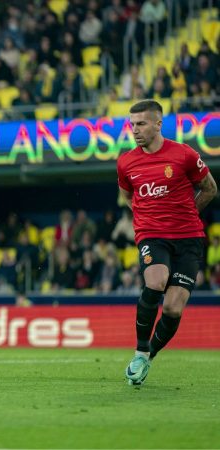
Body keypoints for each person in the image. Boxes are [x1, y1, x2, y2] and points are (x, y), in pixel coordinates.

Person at [117, 100, 217, 386]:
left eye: (141, 124)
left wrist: (186, 213)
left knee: (173, 308)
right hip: (152, 234)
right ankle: (140, 350)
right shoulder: (126, 161)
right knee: (157, 280)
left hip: (188, 238)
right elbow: (128, 195)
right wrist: (146, 218)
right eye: (132, 124)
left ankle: (149, 358)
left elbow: (210, 189)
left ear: (158, 124)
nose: (135, 130)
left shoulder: (184, 155)